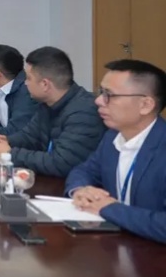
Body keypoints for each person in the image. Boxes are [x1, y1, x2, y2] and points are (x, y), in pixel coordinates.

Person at [66, 60, 166, 243]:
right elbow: (84, 170)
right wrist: (81, 190)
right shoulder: (113, 136)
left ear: (145, 105)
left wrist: (110, 209)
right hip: (120, 245)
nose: (98, 101)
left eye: (109, 95)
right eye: (100, 92)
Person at [0, 46, 105, 177]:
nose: (25, 83)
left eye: (28, 78)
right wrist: (4, 141)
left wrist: (9, 154)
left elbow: (61, 163)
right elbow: (29, 137)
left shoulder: (84, 112)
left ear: (45, 84)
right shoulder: (47, 104)